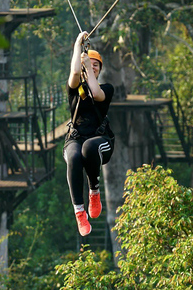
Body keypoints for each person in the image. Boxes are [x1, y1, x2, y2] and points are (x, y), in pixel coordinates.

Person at [63, 31, 114, 236]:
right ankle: (79, 212)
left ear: (100, 70)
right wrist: (77, 45)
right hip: (75, 138)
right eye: (89, 63)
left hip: (101, 141)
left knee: (88, 147)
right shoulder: (74, 89)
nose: (91, 67)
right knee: (75, 155)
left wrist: (88, 68)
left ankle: (94, 190)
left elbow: (96, 93)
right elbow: (75, 74)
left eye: (96, 65)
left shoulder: (107, 88)